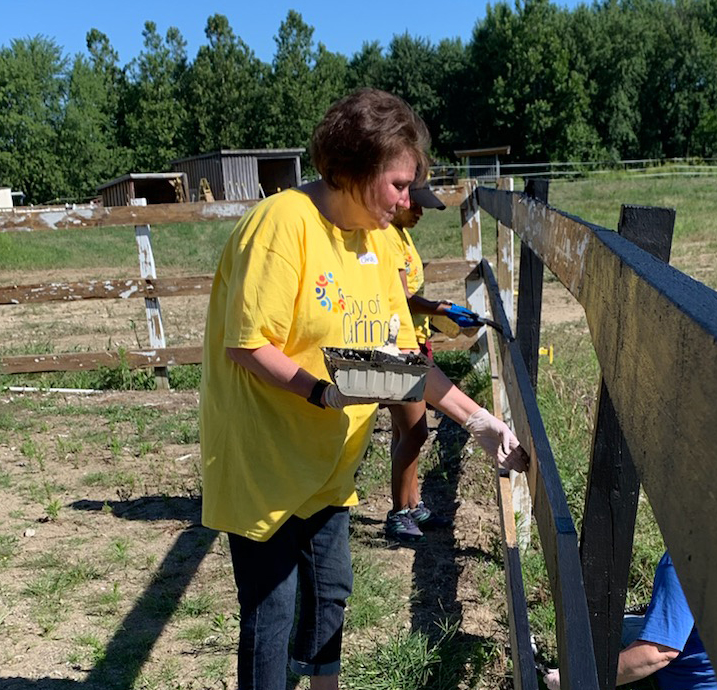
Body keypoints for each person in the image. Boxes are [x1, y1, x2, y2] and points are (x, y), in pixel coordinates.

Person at [198, 87, 527, 690]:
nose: (407, 201)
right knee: (271, 610)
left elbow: (403, 361)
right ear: (352, 168)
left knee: (330, 594)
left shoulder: (378, 241)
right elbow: (246, 345)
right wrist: (321, 393)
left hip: (328, 463)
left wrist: (478, 421)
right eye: (399, 185)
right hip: (264, 458)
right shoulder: (282, 225)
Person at [381, 176, 482, 543]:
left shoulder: (402, 235)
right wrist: (441, 308)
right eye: (416, 204)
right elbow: (403, 298)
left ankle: (412, 502)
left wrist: (438, 315)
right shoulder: (387, 238)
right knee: (417, 431)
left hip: (415, 340)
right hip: (399, 346)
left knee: (405, 430)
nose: (420, 211)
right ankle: (398, 513)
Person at [543, 551, 717, 689]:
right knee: (628, 624)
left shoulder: (685, 557)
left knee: (617, 629)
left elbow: (657, 653)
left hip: (693, 683)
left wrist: (575, 679)